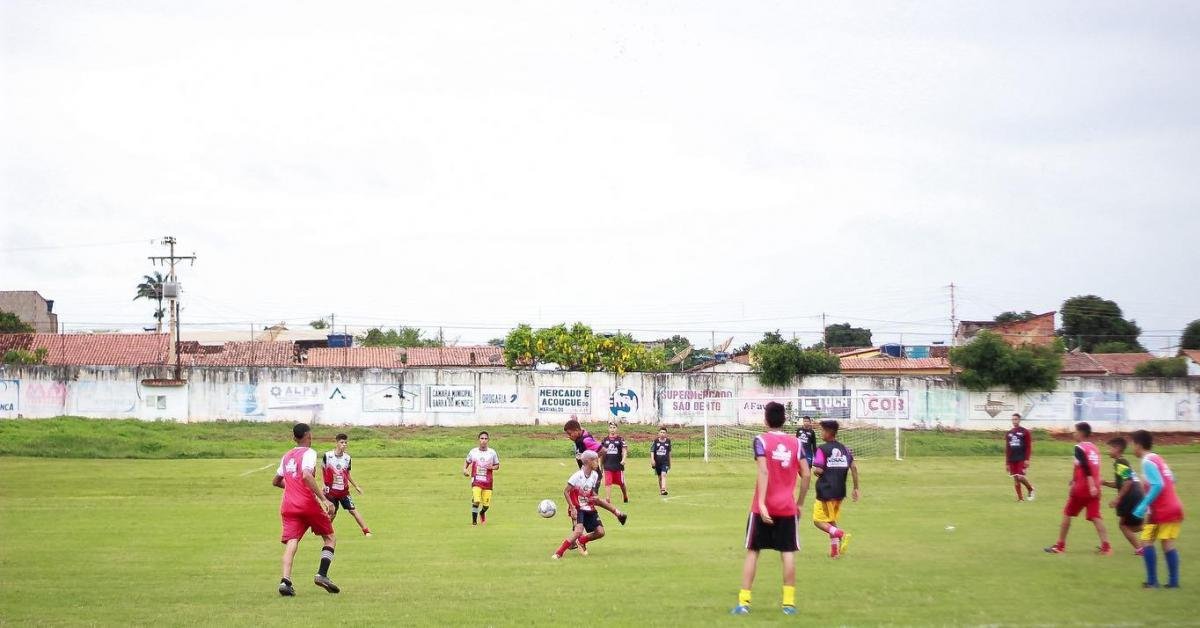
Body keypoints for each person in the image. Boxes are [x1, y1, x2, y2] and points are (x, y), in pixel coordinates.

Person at [732, 402, 810, 617]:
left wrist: (764, 503)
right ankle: (788, 604)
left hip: (761, 508)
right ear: (784, 419)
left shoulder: (760, 440)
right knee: (787, 553)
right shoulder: (796, 443)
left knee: (753, 552)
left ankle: (744, 603)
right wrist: (800, 503)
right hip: (787, 508)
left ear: (765, 420)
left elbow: (764, 471)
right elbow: (806, 474)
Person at [272, 422, 339, 596]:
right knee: (330, 538)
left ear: (294, 438)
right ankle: (322, 574)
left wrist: (292, 486)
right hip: (307, 503)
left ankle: (285, 581)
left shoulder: (286, 456)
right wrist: (325, 500)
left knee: (292, 542)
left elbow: (276, 481)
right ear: (309, 436)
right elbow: (307, 475)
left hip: (288, 505)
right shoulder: (309, 453)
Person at [1045, 422, 1111, 555]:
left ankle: (1060, 546)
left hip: (1083, 487)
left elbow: (1086, 467)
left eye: (1075, 431)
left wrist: (1081, 484)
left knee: (1067, 513)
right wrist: (1075, 479)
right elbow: (1086, 467)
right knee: (1096, 516)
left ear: (1080, 433)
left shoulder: (1079, 447)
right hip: (1096, 488)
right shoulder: (1095, 448)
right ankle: (1106, 547)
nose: (1073, 434)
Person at [1130, 430, 1185, 588]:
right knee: (1166, 543)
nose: (1132, 448)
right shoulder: (1157, 458)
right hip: (1173, 507)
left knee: (1146, 541)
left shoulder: (1147, 461)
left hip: (1163, 510)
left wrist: (1143, 505)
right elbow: (1172, 478)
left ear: (1139, 445)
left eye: (1133, 444)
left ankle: (1153, 581)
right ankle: (1173, 583)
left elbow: (1158, 484)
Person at [552, 450, 628, 559]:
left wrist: (593, 497)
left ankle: (582, 541)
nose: (598, 463)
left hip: (589, 506)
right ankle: (558, 553)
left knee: (600, 532)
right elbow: (566, 491)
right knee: (578, 531)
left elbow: (591, 491)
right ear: (588, 461)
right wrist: (572, 508)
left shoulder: (594, 475)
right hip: (578, 507)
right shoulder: (577, 476)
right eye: (596, 461)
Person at [810, 420, 859, 559]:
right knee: (830, 520)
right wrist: (856, 488)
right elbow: (854, 468)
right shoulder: (845, 449)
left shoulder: (822, 449)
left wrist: (816, 472)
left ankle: (841, 534)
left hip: (825, 491)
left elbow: (818, 469)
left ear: (827, 432)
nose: (821, 433)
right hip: (839, 492)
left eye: (822, 430)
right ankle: (834, 552)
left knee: (818, 521)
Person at [322, 433, 371, 536]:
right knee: (332, 513)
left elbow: (347, 474)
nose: (344, 444)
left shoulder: (347, 458)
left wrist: (356, 486)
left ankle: (366, 531)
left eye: (345, 442)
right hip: (331, 491)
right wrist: (325, 485)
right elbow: (323, 470)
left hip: (343, 491)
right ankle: (324, 531)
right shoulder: (328, 456)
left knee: (353, 510)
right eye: (342, 442)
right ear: (337, 443)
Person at [1102, 436, 1144, 554]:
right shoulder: (1121, 462)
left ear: (1117, 448)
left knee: (1123, 525)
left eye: (1110, 448)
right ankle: (1150, 532)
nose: (1108, 451)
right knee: (1134, 525)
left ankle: (1141, 549)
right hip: (1136, 493)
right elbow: (1120, 483)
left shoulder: (1120, 462)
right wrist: (1104, 483)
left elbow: (1128, 481)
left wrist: (1117, 498)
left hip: (1130, 496)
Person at [463, 431, 500, 526]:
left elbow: (497, 466)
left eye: (485, 439)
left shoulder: (492, 453)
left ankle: (482, 512)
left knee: (486, 505)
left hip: (488, 482)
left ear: (488, 440)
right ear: (478, 440)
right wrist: (465, 469)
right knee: (476, 500)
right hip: (476, 480)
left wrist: (491, 467)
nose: (483, 441)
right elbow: (467, 461)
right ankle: (474, 523)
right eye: (482, 438)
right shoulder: (473, 452)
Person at [1005, 413, 1036, 501]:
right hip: (1012, 458)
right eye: (1013, 419)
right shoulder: (1009, 433)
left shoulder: (1024, 432)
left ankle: (1030, 489)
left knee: (1020, 477)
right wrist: (1007, 463)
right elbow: (1007, 448)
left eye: (1016, 419)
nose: (1014, 421)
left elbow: (1028, 446)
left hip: (1021, 457)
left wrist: (1027, 459)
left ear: (1019, 420)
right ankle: (1020, 498)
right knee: (1015, 478)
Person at [599, 423, 629, 503]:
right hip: (607, 465)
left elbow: (624, 450)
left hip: (618, 466)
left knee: (621, 483)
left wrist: (623, 459)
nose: (612, 429)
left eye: (614, 427)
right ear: (608, 429)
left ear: (617, 429)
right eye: (611, 427)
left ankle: (625, 496)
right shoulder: (605, 440)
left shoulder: (620, 439)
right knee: (608, 482)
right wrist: (600, 465)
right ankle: (608, 499)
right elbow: (601, 453)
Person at [651, 427, 672, 495]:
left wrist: (670, 463)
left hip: (665, 462)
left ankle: (663, 489)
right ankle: (661, 491)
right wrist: (652, 460)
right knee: (659, 477)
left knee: (663, 475)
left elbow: (669, 453)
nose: (662, 434)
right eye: (661, 432)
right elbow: (652, 451)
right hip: (657, 462)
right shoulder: (656, 441)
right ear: (659, 433)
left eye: (664, 432)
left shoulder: (668, 441)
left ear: (666, 434)